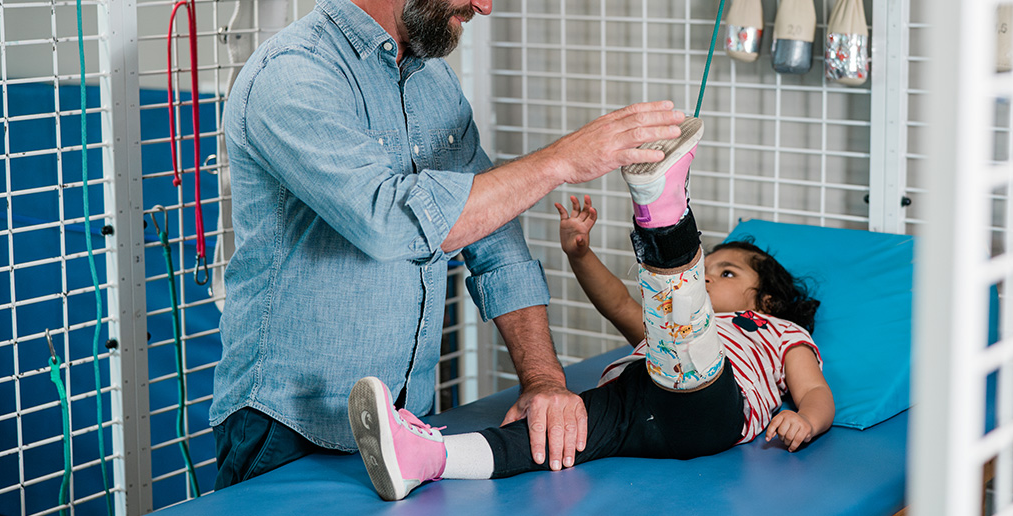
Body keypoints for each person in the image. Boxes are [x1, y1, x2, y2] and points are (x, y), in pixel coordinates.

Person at [210, 0, 687, 489]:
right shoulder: (292, 75)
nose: (485, 0)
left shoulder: (432, 82)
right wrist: (562, 161)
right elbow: (391, 224)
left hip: (405, 423)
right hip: (287, 431)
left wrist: (543, 379)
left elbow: (495, 238)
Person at [348, 117, 835, 501]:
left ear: (766, 300)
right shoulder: (660, 335)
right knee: (550, 438)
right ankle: (426, 459)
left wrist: (808, 421)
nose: (710, 275)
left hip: (710, 407)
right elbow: (620, 303)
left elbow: (814, 391)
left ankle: (661, 207)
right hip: (635, 398)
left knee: (684, 324)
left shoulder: (775, 331)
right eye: (708, 268)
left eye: (727, 274)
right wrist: (580, 254)